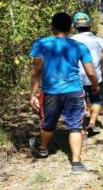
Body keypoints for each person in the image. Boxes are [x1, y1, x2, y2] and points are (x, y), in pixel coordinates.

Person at [29, 12, 99, 174]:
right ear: (70, 27)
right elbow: (90, 72)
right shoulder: (79, 46)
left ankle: (43, 149)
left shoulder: (41, 44)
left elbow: (37, 70)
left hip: (51, 91)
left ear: (52, 26)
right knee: (75, 126)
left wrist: (33, 93)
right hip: (74, 91)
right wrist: (95, 86)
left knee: (48, 123)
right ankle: (76, 163)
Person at [71, 11, 103, 135]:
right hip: (96, 78)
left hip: (76, 80)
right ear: (90, 25)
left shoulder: (69, 41)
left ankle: (82, 129)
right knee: (97, 100)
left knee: (79, 104)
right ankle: (92, 123)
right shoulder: (101, 41)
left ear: (74, 26)